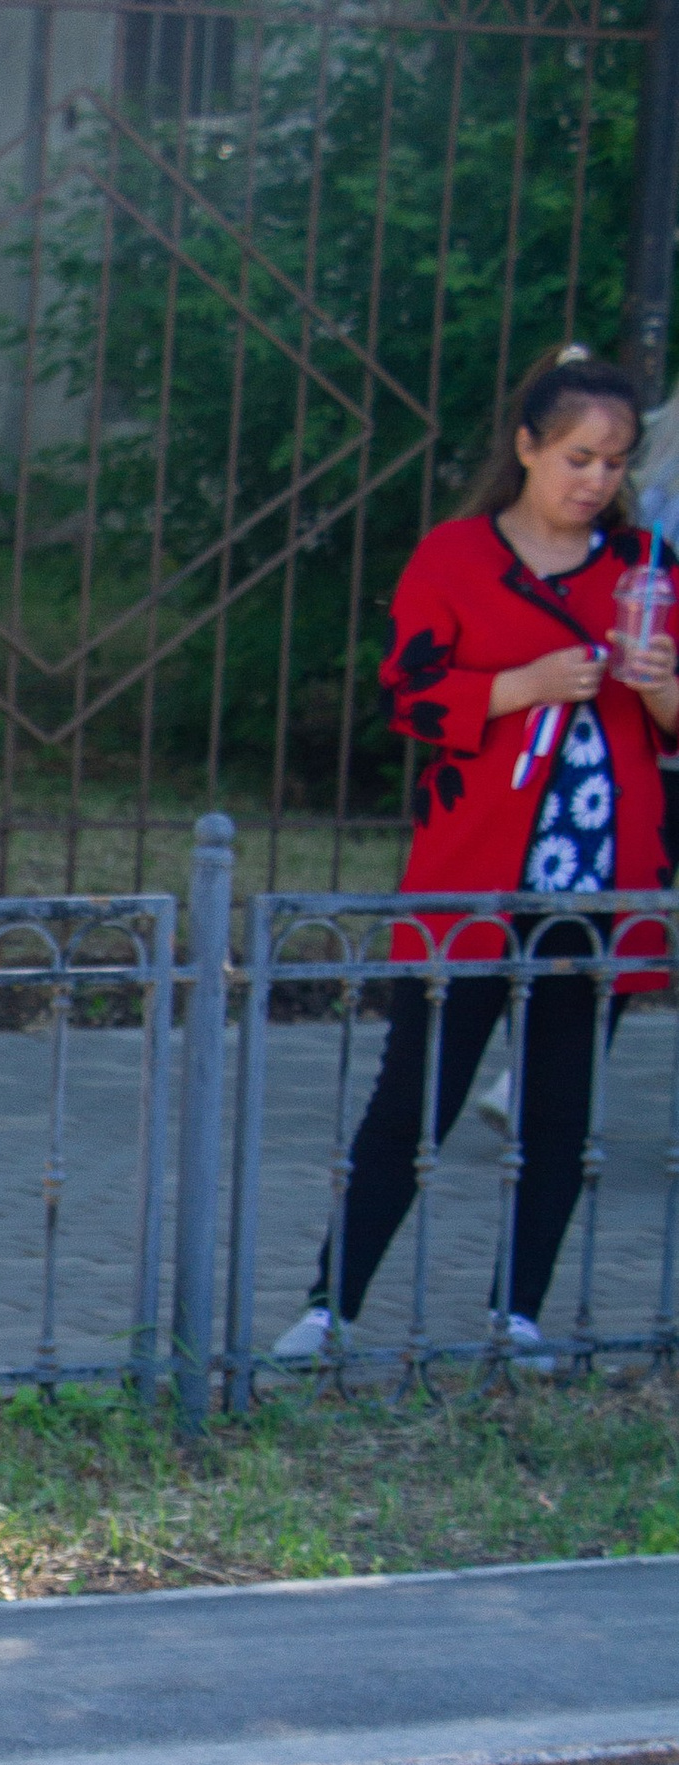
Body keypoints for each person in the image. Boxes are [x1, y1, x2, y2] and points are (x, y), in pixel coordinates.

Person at [273, 346, 678, 1363]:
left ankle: (516, 1315)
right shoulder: (454, 556)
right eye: (578, 457)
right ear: (527, 446)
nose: (595, 480)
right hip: (471, 883)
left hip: (599, 887)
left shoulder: (645, 567)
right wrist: (521, 685)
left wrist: (658, 683)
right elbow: (408, 696)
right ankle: (329, 1307)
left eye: (614, 463)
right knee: (413, 1102)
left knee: (558, 1113)